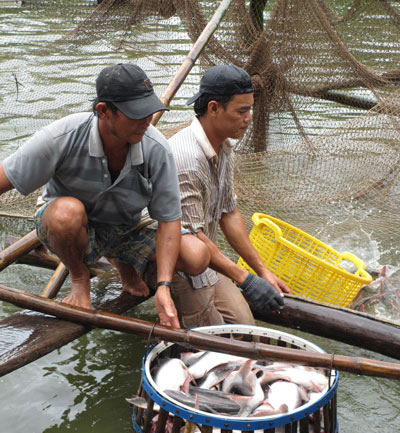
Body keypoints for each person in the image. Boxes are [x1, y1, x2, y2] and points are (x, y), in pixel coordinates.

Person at [0, 63, 209, 328]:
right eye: (136, 114)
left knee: (197, 256)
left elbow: (169, 220)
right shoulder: (61, 136)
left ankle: (123, 262)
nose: (147, 121)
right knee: (66, 214)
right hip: (71, 225)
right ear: (104, 111)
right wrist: (79, 277)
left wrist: (164, 285)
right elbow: (4, 177)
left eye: (149, 112)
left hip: (125, 224)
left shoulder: (156, 148)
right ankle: (79, 277)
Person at [168, 64, 291, 327]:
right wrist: (245, 280)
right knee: (216, 344)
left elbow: (229, 212)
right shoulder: (186, 158)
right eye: (241, 111)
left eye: (250, 110)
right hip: (180, 266)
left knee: (245, 327)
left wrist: (261, 272)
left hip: (207, 262)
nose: (248, 119)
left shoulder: (223, 146)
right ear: (213, 108)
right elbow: (192, 235)